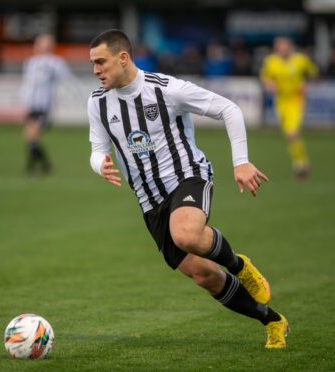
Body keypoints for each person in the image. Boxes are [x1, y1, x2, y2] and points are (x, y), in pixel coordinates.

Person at [87, 29, 289, 349]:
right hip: (150, 201)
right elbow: (97, 149)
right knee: (204, 276)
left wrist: (241, 162)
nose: (96, 70)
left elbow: (229, 109)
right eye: (92, 64)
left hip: (187, 176)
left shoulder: (166, 89)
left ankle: (240, 265)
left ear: (123, 58)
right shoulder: (97, 102)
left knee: (186, 233)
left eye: (101, 62)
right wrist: (100, 164)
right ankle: (273, 320)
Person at [260, 36, 318, 180]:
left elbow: (313, 74)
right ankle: (301, 161)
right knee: (288, 134)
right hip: (281, 101)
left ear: (290, 47)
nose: (282, 49)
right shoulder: (271, 61)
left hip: (296, 100)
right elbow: (265, 77)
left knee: (292, 132)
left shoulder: (300, 60)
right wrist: (269, 85)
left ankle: (300, 164)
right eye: (279, 47)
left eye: (285, 46)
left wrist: (307, 84)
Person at [20, 33, 75, 175]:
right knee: (30, 138)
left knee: (32, 135)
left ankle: (31, 168)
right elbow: (28, 84)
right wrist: (23, 98)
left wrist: (76, 96)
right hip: (32, 106)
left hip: (44, 107)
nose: (40, 46)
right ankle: (45, 165)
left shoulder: (55, 62)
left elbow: (68, 80)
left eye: (45, 43)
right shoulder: (30, 63)